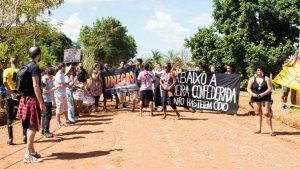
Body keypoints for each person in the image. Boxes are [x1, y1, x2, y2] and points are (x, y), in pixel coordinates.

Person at [17, 46, 46, 163]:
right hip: (32, 100)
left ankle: (32, 151)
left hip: (24, 99)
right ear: (38, 55)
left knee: (29, 124)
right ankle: (27, 155)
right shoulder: (34, 67)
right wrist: (41, 103)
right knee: (32, 126)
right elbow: (35, 86)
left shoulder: (26, 65)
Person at [3, 56, 27, 145]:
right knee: (23, 115)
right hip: (20, 94)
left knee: (9, 117)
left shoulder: (6, 70)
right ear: (18, 62)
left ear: (10, 61)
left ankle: (10, 138)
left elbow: (4, 81)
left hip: (9, 94)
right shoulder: (21, 70)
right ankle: (25, 135)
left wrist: (10, 92)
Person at [247, 61, 275, 136]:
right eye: (258, 70)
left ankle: (271, 130)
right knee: (257, 113)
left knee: (266, 113)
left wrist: (262, 94)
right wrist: (253, 94)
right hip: (255, 98)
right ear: (255, 70)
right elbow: (248, 88)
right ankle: (258, 129)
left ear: (263, 70)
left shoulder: (266, 78)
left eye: (260, 70)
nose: (259, 71)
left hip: (265, 97)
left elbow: (269, 88)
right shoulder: (252, 79)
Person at [54, 63, 73, 127]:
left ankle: (67, 120)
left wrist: (68, 84)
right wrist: (69, 84)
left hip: (63, 93)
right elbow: (62, 85)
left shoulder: (62, 74)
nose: (65, 68)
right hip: (59, 95)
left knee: (65, 108)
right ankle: (58, 122)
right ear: (62, 67)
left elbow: (64, 84)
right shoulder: (58, 75)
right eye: (64, 67)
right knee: (59, 109)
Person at [41, 67, 57, 138]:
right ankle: (46, 131)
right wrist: (52, 89)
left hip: (48, 100)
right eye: (51, 75)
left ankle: (43, 130)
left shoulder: (48, 79)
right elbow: (44, 91)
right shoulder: (44, 79)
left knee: (45, 116)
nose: (51, 77)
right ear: (48, 74)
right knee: (47, 116)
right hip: (46, 100)